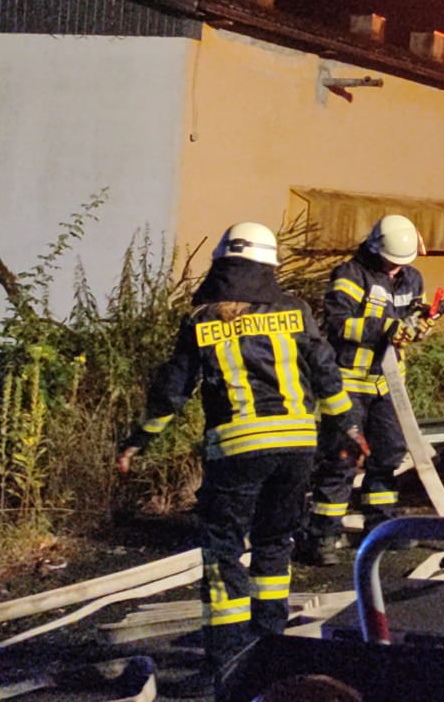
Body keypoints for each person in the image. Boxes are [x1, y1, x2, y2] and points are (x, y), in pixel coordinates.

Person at [116, 222, 360, 676]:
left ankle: (227, 661)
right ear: (269, 266)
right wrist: (348, 426)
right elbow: (326, 371)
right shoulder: (296, 311)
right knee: (275, 544)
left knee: (223, 554)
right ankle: (271, 649)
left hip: (236, 449)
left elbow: (173, 390)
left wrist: (138, 440)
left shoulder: (202, 320)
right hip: (296, 447)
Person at [297, 214, 426, 566]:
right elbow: (338, 325)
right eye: (391, 261)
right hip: (349, 382)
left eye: (402, 262)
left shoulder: (412, 278)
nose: (396, 267)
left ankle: (381, 524)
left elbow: (412, 319)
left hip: (388, 384)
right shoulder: (350, 275)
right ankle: (323, 533)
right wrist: (385, 328)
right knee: (342, 457)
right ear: (375, 248)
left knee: (388, 454)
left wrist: (416, 329)